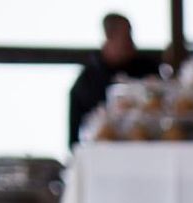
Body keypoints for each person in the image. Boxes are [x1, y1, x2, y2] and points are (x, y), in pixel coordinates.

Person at [68, 13, 162, 144]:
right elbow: (75, 139)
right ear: (108, 37)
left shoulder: (147, 69)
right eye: (126, 37)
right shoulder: (87, 82)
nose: (131, 43)